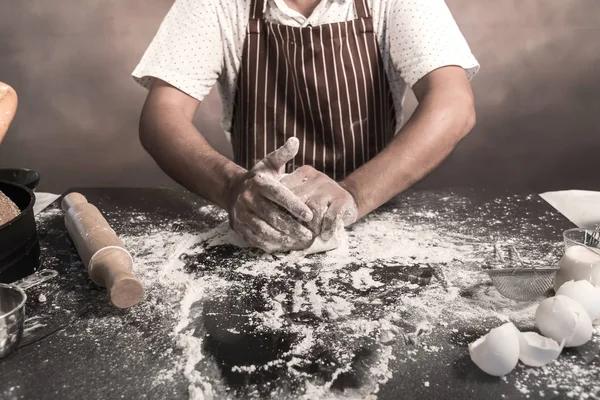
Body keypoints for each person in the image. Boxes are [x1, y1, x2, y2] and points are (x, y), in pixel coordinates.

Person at [132, 0, 479, 252]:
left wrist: (355, 193)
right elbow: (161, 116)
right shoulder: (216, 5)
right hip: (259, 231)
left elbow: (453, 104)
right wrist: (232, 187)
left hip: (377, 231)